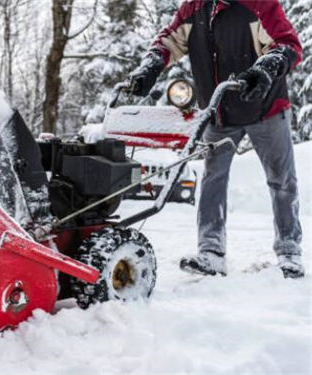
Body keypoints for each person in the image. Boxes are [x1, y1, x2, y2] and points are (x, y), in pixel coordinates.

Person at [128, 0, 304, 278]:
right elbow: (168, 41)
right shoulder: (194, 8)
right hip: (219, 110)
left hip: (265, 107)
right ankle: (211, 251)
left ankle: (289, 252)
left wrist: (266, 68)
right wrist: (152, 65)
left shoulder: (257, 4)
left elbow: (287, 44)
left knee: (281, 180)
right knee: (213, 179)